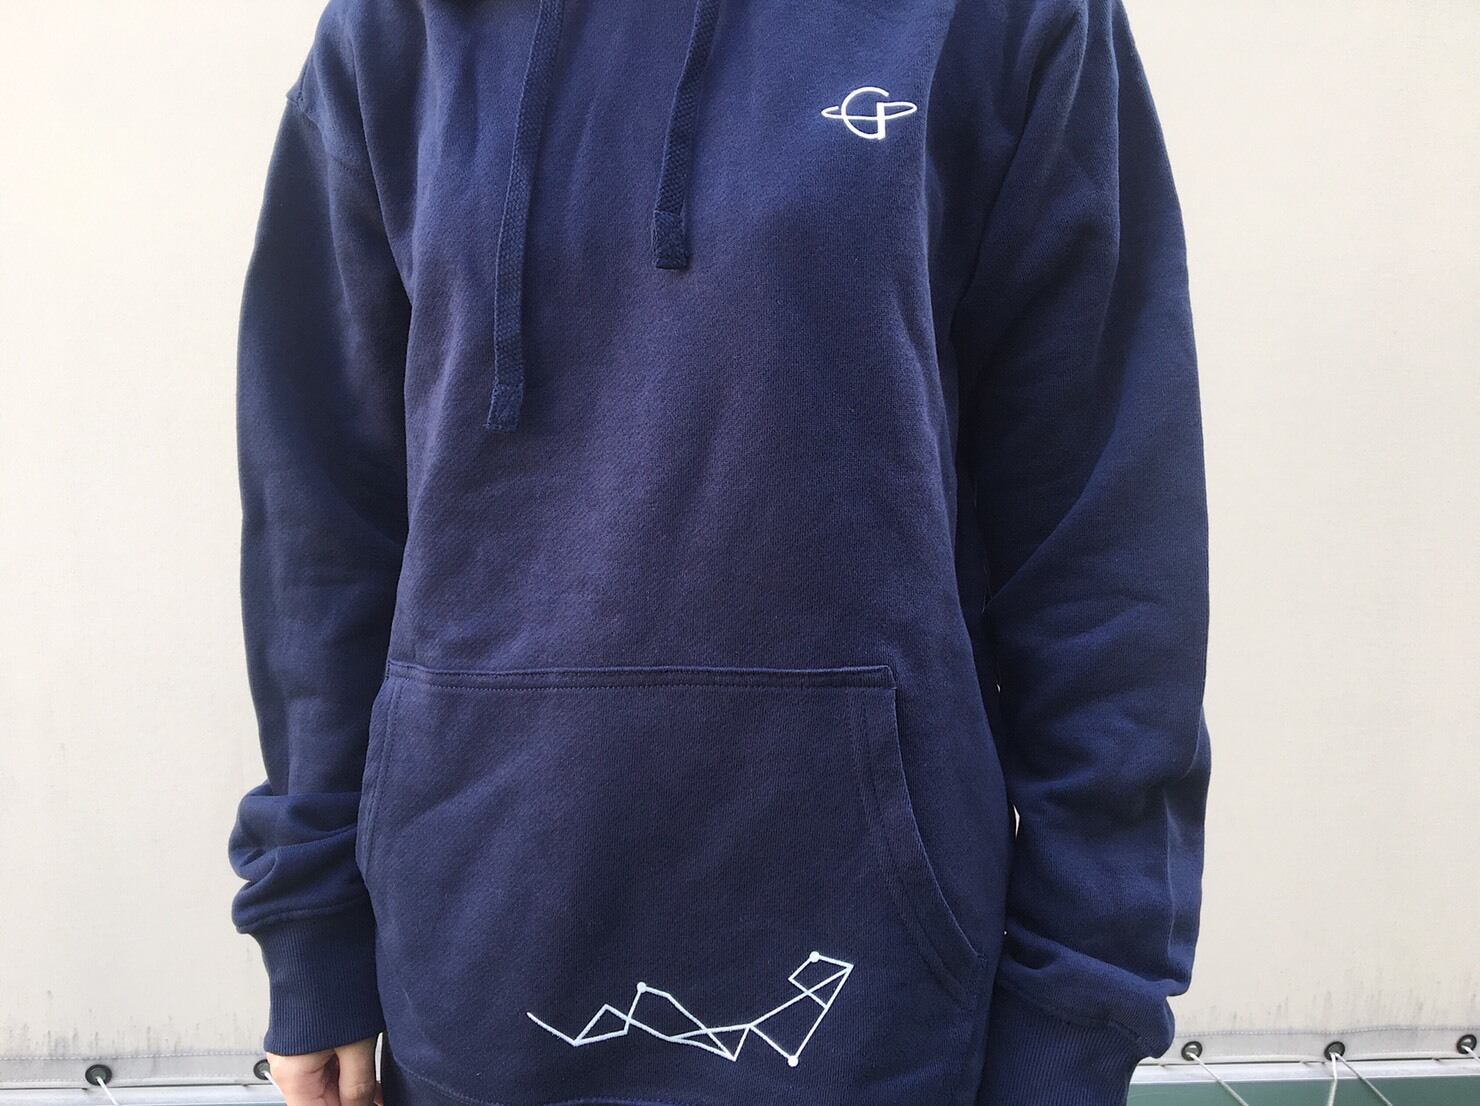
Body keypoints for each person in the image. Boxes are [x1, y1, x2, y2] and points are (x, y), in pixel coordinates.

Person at [225, 0, 1212, 1103]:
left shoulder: (998, 21)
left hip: (879, 992)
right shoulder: (400, 32)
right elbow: (322, 518)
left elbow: (1102, 529)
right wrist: (310, 924)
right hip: (476, 966)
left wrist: (1081, 998)